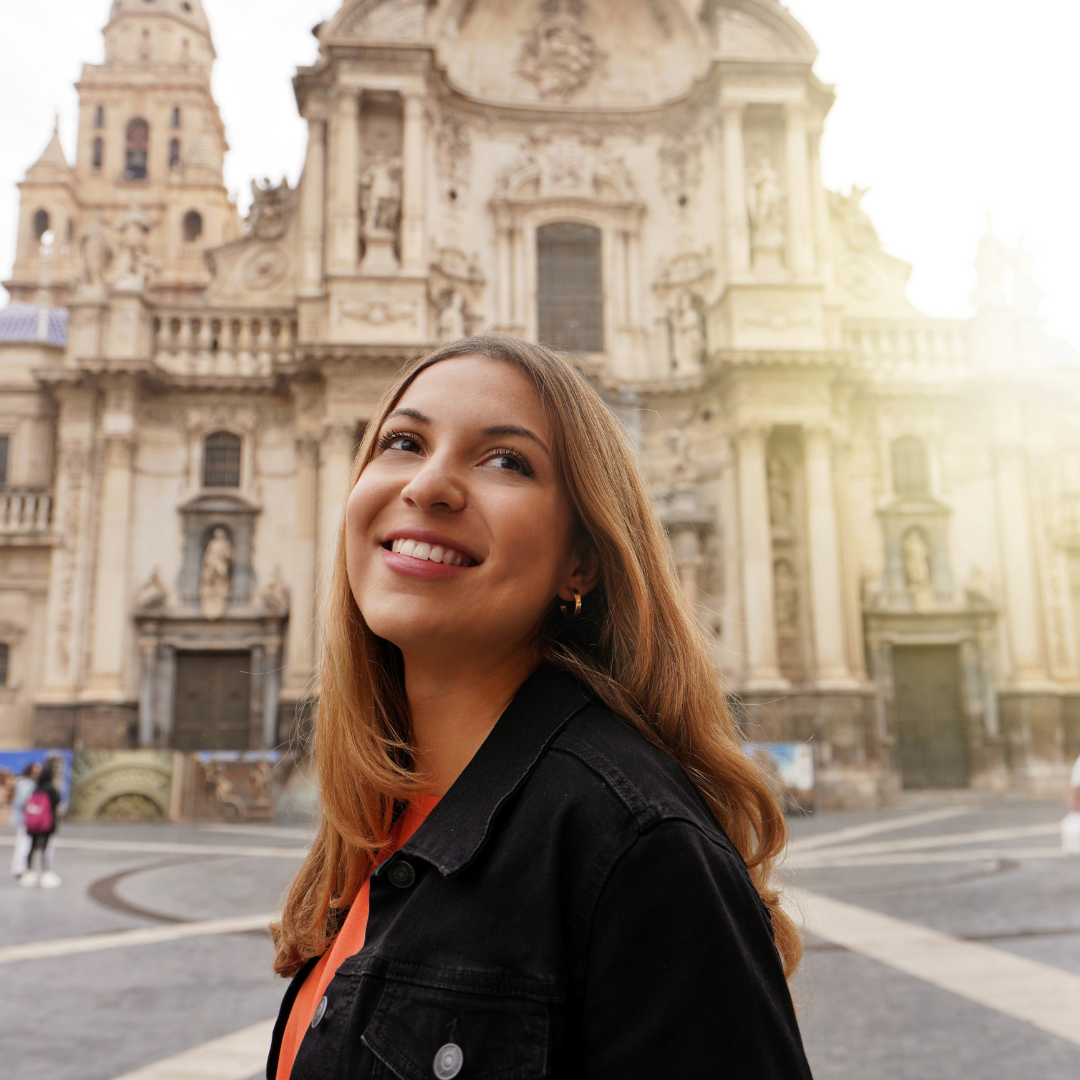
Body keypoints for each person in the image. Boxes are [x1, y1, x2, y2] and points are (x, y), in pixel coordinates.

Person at [268, 335, 812, 1079]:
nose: (429, 485)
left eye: (506, 460)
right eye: (402, 441)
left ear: (581, 560)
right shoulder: (381, 819)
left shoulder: (638, 848)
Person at [20, 758, 62, 889]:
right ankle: (46, 872)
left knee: (32, 847)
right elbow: (56, 803)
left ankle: (29, 871)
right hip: (46, 824)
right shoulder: (50, 789)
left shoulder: (36, 788)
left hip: (33, 824)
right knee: (46, 849)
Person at [9, 761, 41, 879]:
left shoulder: (30, 782)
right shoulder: (25, 783)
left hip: (28, 818)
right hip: (25, 818)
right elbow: (24, 800)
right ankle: (19, 869)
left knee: (27, 844)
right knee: (24, 844)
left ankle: (23, 868)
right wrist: (35, 807)